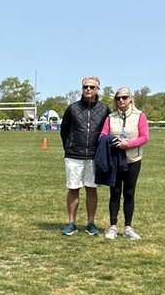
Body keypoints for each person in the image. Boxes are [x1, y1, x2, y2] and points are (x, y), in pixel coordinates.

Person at [60, 77, 109, 236]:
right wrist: (69, 148)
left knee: (91, 189)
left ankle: (91, 223)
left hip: (94, 157)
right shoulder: (72, 109)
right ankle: (71, 223)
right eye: (85, 87)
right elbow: (64, 131)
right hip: (74, 156)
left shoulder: (104, 109)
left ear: (97, 89)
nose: (88, 89)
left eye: (92, 87)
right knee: (73, 189)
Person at [99, 88, 149, 240]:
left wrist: (129, 144)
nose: (121, 100)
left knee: (129, 193)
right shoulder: (110, 117)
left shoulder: (140, 115)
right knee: (114, 193)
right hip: (114, 161)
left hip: (133, 160)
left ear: (130, 99)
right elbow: (102, 135)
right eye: (118, 98)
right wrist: (114, 142)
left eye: (124, 97)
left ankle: (128, 227)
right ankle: (113, 226)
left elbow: (145, 137)